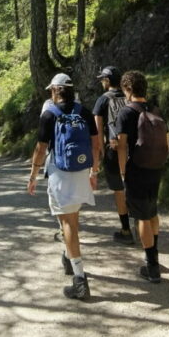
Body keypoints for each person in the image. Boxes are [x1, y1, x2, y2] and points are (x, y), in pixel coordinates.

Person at [28, 73, 100, 301]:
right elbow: (96, 143)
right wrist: (94, 171)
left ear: (55, 91)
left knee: (68, 222)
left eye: (51, 90)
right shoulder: (84, 112)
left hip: (60, 172)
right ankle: (69, 256)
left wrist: (32, 175)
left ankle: (80, 280)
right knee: (71, 219)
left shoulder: (50, 114)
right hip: (80, 170)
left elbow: (40, 148)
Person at [116, 70, 169, 284]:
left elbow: (121, 146)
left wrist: (122, 171)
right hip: (155, 167)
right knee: (152, 210)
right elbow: (167, 142)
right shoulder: (156, 110)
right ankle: (154, 255)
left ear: (128, 89)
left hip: (136, 168)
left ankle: (152, 267)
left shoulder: (126, 112)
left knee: (142, 216)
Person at [93, 65, 133, 245]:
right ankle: (141, 226)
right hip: (133, 148)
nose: (102, 82)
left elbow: (98, 128)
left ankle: (126, 230)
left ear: (108, 81)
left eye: (103, 79)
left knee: (119, 191)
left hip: (114, 149)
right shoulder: (129, 96)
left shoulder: (102, 100)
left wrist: (101, 150)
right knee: (134, 187)